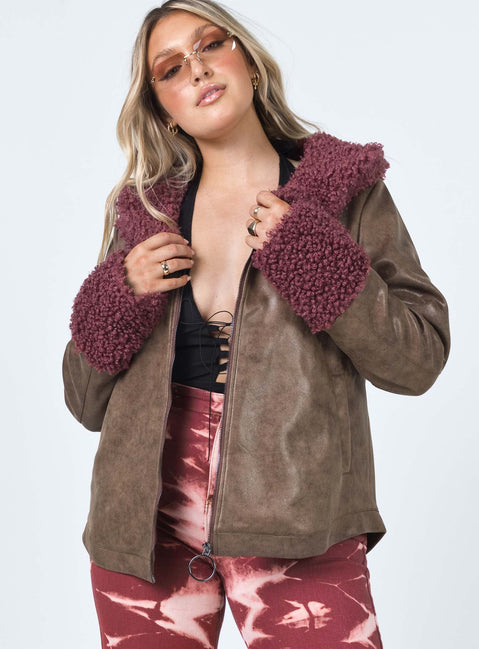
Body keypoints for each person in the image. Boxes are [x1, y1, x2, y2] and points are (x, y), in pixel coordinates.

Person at [62, 0, 450, 647]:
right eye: (171, 68)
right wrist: (121, 292)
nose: (197, 69)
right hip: (142, 532)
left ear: (246, 58)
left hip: (301, 525)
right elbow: (83, 401)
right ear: (163, 108)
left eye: (211, 44)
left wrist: (315, 256)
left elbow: (418, 361)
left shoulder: (342, 194)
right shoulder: (146, 215)